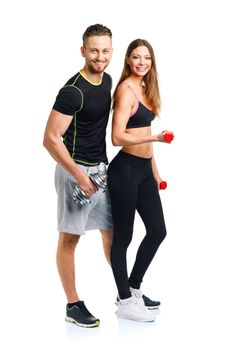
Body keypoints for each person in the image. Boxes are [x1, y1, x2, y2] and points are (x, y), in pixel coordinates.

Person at [43, 24, 114, 328]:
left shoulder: (108, 80)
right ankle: (73, 305)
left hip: (100, 170)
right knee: (71, 238)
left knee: (114, 233)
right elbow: (50, 139)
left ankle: (126, 293)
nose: (100, 56)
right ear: (83, 51)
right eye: (94, 50)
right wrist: (79, 176)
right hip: (75, 172)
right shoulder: (72, 91)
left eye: (106, 51)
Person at [107, 39, 171, 322]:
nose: (142, 62)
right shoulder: (126, 90)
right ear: (128, 60)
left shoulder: (146, 89)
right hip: (125, 171)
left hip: (144, 171)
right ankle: (124, 301)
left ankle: (133, 288)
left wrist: (155, 171)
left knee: (158, 231)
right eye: (136, 57)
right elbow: (117, 137)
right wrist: (154, 137)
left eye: (147, 58)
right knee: (123, 237)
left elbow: (144, 128)